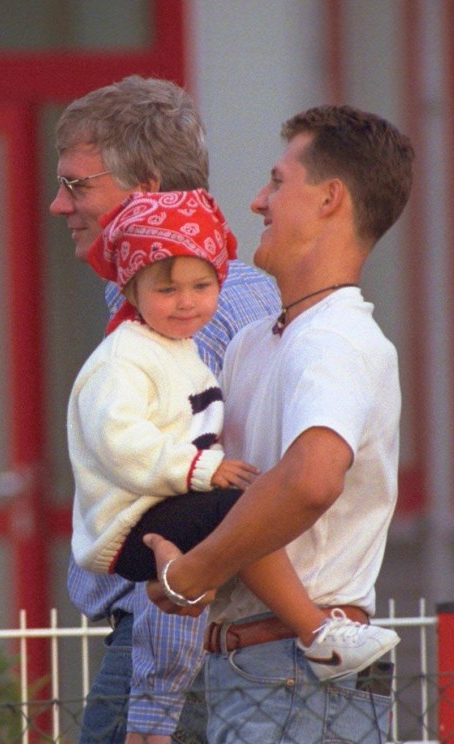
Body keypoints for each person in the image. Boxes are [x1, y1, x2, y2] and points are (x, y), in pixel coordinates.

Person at [41, 75, 379, 744]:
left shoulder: (192, 317)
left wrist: (153, 701)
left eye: (79, 185)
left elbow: (212, 516)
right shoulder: (209, 302)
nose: (58, 204)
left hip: (185, 636)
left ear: (146, 187)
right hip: (231, 645)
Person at [136, 104, 414, 744]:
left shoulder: (334, 340)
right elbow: (242, 492)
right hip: (266, 680)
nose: (256, 200)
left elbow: (309, 479)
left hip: (303, 685)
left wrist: (192, 575)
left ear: (329, 199)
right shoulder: (261, 340)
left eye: (277, 180)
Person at [71, 186, 399, 676]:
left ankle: (303, 625)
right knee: (240, 510)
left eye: (202, 287)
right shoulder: (123, 358)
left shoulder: (177, 350)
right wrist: (206, 469)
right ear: (130, 290)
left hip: (160, 509)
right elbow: (120, 444)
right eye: (166, 290)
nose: (186, 303)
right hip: (131, 524)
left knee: (238, 509)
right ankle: (315, 630)